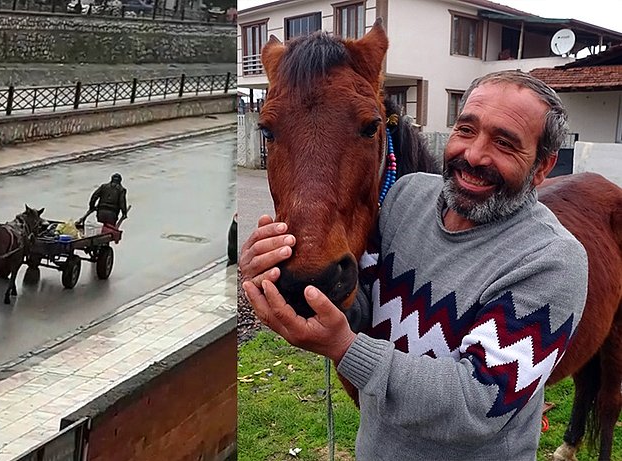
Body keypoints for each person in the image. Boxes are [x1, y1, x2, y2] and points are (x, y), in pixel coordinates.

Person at [240, 71, 588, 460]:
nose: (473, 155)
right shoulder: (406, 197)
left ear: (543, 167)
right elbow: (363, 306)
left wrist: (345, 348)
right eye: (466, 130)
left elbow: (480, 403)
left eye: (505, 143)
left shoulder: (552, 260)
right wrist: (287, 281)